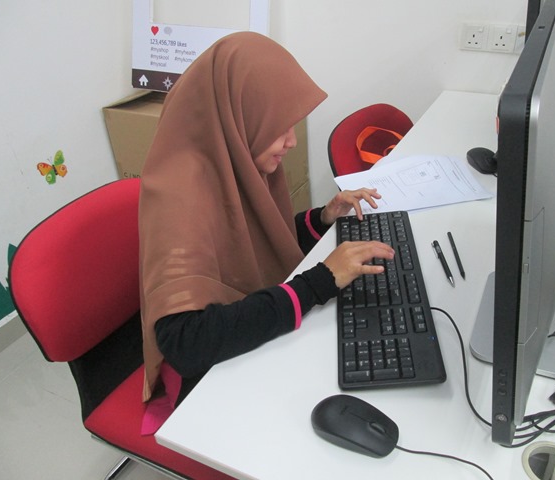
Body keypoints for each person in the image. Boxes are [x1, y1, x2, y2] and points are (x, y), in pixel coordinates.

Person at [138, 31, 394, 432]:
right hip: (207, 378)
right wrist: (319, 282)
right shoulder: (179, 196)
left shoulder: (232, 161)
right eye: (280, 128)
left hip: (245, 337)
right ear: (240, 117)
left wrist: (323, 218)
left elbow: (250, 247)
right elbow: (186, 343)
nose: (291, 142)